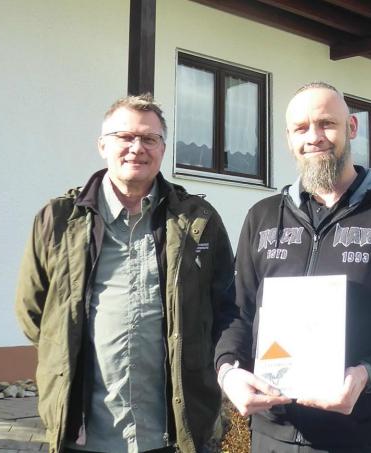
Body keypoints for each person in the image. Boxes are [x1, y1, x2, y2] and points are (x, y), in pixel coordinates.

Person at [214, 82, 371, 453]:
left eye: (326, 124)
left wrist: (369, 372)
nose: (314, 137)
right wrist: (229, 371)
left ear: (351, 128)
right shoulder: (263, 217)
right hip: (270, 438)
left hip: (358, 438)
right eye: (301, 128)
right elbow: (237, 312)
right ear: (289, 139)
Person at [15, 94, 234, 453]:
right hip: (83, 436)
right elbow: (33, 313)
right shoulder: (57, 220)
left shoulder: (198, 221)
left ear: (163, 149)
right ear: (102, 145)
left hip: (173, 433)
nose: (137, 148)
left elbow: (225, 306)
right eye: (125, 137)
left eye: (149, 139)